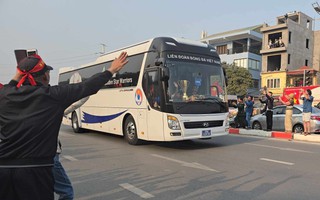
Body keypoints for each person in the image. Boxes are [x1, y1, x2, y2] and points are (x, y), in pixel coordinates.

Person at [0, 52, 128, 200]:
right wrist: (111, 70)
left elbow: (9, 86)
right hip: (36, 171)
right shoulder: (53, 96)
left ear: (20, 74)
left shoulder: (5, 95)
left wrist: (20, 73)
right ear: (45, 76)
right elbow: (87, 86)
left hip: (3, 169)